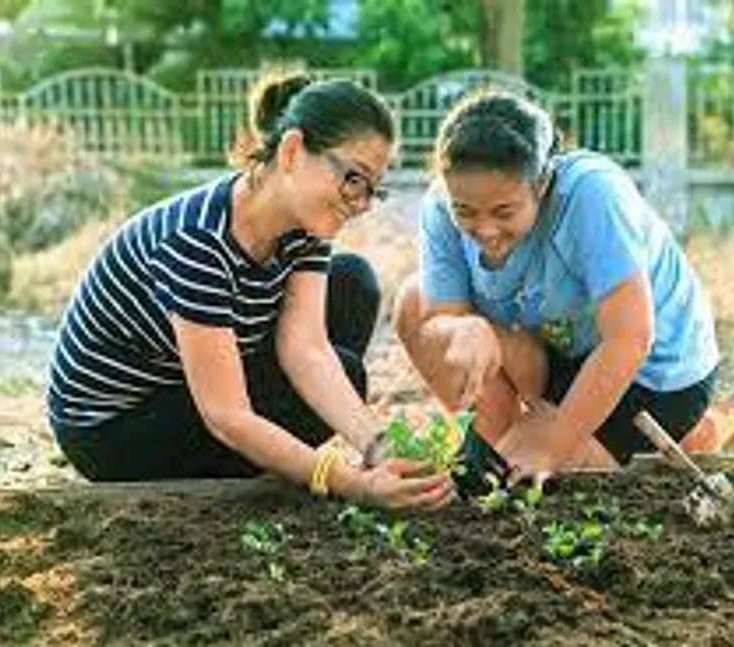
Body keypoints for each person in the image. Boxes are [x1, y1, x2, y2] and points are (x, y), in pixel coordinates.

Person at [46, 72, 454, 510]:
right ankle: (269, 463)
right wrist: (350, 484)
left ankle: (272, 458)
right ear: (292, 151)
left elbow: (308, 351)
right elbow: (227, 415)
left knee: (351, 284)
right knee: (344, 374)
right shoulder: (197, 241)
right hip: (112, 430)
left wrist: (380, 448)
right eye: (354, 179)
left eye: (373, 190)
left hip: (187, 385)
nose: (361, 204)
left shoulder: (305, 227)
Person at [393, 91, 720, 480]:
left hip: (650, 373)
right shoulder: (441, 206)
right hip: (560, 349)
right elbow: (444, 324)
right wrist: (466, 328)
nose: (485, 230)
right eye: (465, 211)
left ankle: (686, 432)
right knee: (413, 301)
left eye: (503, 211)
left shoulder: (591, 193)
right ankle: (504, 433)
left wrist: (552, 447)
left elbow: (630, 338)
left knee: (538, 476)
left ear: (543, 184)